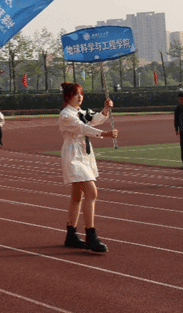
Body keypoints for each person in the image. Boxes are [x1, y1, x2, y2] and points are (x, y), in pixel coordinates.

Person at [58, 82, 116, 252]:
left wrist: (105, 110)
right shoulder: (66, 115)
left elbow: (93, 119)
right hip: (73, 156)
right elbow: (82, 128)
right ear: (68, 97)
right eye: (76, 94)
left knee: (77, 196)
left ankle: (71, 234)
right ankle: (91, 235)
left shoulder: (80, 112)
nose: (80, 97)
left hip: (84, 155)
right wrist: (104, 134)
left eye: (81, 94)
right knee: (91, 192)